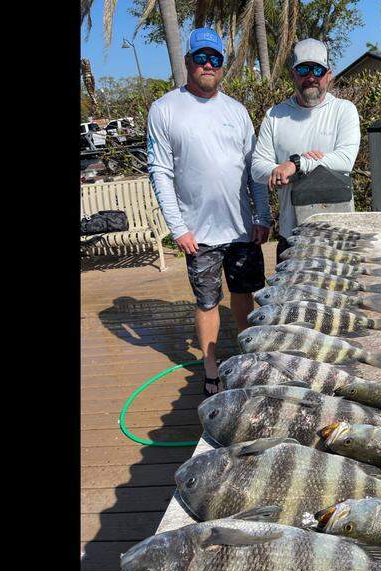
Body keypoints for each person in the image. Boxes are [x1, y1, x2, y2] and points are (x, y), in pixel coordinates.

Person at [146, 27, 271, 397]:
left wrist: (262, 217)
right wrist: (178, 228)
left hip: (242, 229)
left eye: (214, 59)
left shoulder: (237, 110)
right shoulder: (165, 108)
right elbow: (161, 173)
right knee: (206, 302)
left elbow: (254, 170)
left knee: (245, 295)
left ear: (222, 65)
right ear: (188, 62)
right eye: (200, 58)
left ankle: (250, 359)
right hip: (196, 235)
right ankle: (212, 367)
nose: (207, 65)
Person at [251, 38, 361, 260]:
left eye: (318, 70)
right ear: (293, 74)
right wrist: (280, 172)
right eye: (303, 69)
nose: (310, 77)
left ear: (328, 74)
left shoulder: (344, 110)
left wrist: (298, 164)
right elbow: (257, 168)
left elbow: (345, 160)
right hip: (290, 237)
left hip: (337, 237)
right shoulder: (274, 115)